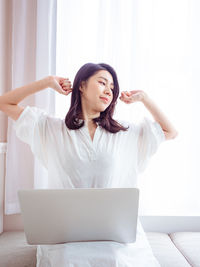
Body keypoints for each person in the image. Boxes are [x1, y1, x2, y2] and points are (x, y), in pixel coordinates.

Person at [0, 62, 178, 266]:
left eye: (112, 88)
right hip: (66, 235)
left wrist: (144, 98)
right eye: (102, 83)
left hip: (113, 237)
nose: (108, 91)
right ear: (81, 86)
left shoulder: (125, 133)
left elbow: (170, 131)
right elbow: (4, 103)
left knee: (115, 259)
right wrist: (47, 82)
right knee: (67, 259)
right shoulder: (50, 129)